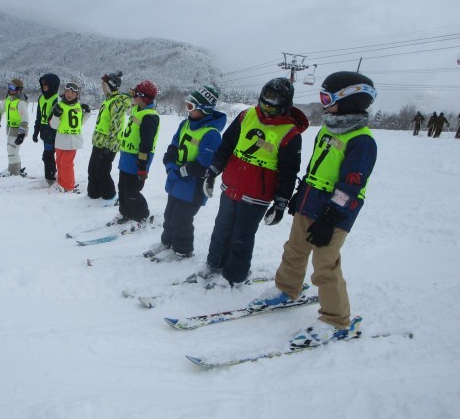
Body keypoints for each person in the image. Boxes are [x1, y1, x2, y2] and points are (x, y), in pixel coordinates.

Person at [250, 71, 378, 348]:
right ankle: (287, 288)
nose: (323, 104)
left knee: (324, 264)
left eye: (327, 99)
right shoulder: (329, 129)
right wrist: (300, 193)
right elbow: (315, 167)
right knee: (295, 248)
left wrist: (330, 217)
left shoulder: (362, 141)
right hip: (310, 200)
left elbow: (351, 186)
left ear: (351, 101)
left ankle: (336, 320)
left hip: (336, 212)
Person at [197, 77, 309, 288]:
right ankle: (214, 263)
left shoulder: (290, 133)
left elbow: (288, 172)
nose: (266, 110)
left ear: (284, 106)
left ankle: (234, 276)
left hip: (257, 194)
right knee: (221, 228)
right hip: (232, 185)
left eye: (272, 107)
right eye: (264, 104)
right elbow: (227, 145)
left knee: (242, 236)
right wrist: (212, 172)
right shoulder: (247, 115)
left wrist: (281, 203)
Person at [149, 85, 226, 260]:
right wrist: (169, 164)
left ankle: (183, 250)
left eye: (191, 106)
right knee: (169, 215)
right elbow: (174, 146)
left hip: (194, 186)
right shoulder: (185, 124)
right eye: (187, 104)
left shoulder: (211, 134)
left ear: (204, 109)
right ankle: (167, 242)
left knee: (181, 220)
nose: (188, 109)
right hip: (177, 181)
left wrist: (179, 172)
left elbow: (202, 164)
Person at [109, 80, 160, 228]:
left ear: (143, 97)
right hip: (126, 157)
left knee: (132, 191)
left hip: (138, 160)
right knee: (122, 188)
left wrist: (142, 166)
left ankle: (141, 216)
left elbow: (146, 144)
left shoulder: (150, 117)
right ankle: (125, 213)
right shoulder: (137, 110)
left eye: (135, 94)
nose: (133, 96)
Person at [87, 71, 131, 203]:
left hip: (108, 144)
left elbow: (116, 127)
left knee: (102, 171)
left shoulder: (116, 103)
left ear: (111, 86)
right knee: (92, 169)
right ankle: (94, 193)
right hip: (99, 141)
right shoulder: (108, 100)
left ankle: (109, 196)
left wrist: (108, 145)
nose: (102, 87)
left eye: (104, 85)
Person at [48, 81, 90, 192]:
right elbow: (53, 125)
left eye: (72, 92)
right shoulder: (59, 105)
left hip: (72, 140)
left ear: (77, 94)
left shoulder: (78, 106)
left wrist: (87, 113)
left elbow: (80, 123)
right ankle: (61, 182)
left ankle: (68, 186)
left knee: (66, 163)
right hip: (61, 139)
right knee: (59, 162)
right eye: (67, 91)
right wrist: (56, 115)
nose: (69, 94)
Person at [0, 78, 29, 176]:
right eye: (9, 86)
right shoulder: (8, 100)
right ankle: (14, 169)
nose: (10, 89)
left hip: (19, 130)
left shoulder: (20, 103)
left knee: (12, 151)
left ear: (18, 90)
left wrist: (21, 134)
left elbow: (25, 119)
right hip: (10, 129)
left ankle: (14, 171)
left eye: (12, 87)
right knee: (11, 150)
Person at [32, 73, 60, 184]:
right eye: (42, 84)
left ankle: (50, 177)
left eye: (46, 84)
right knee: (49, 154)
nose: (43, 86)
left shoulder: (56, 99)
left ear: (53, 85)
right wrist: (36, 131)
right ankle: (52, 174)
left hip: (53, 131)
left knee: (47, 155)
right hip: (44, 131)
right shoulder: (41, 98)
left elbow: (55, 118)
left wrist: (51, 132)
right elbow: (39, 116)